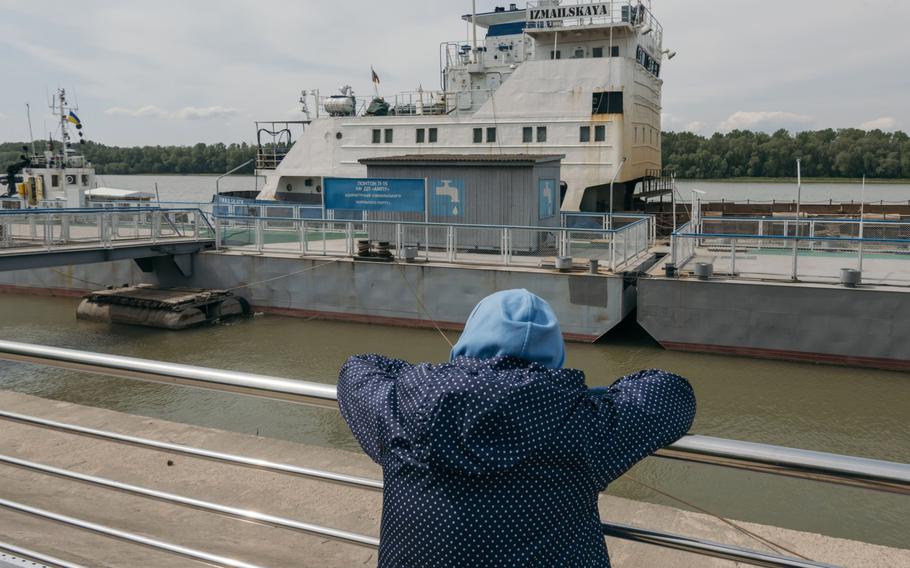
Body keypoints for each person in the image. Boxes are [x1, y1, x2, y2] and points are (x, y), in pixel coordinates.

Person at [338, 289, 696, 567]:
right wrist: (590, 398)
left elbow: (359, 368)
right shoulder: (583, 421)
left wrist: (440, 379)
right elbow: (673, 392)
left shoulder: (408, 404)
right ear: (554, 355)